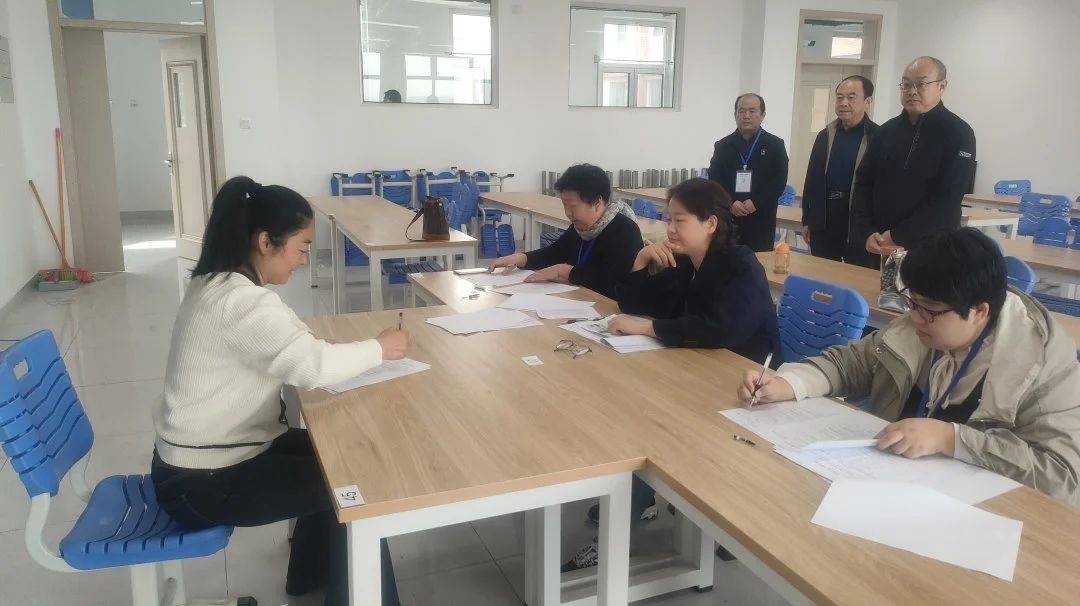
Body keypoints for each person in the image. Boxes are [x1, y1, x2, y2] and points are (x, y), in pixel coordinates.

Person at [150, 177, 406, 606]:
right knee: (353, 484)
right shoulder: (240, 302)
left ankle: (310, 575)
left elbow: (292, 336)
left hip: (205, 461)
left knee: (338, 453)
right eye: (302, 248)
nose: (304, 261)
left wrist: (340, 347)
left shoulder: (223, 284)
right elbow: (311, 367)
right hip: (203, 482)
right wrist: (380, 348)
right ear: (265, 241)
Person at [737, 228, 1080, 507]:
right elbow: (852, 363)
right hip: (891, 492)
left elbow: (1062, 476)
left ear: (979, 312)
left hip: (988, 515)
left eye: (927, 309)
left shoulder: (1042, 364)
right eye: (911, 303)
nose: (914, 317)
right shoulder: (923, 321)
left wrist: (952, 439)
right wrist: (789, 383)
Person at [563, 179, 780, 572]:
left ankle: (622, 524)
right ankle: (640, 499)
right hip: (695, 366)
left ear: (710, 223)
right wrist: (641, 261)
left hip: (742, 385)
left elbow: (719, 330)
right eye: (669, 220)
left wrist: (648, 328)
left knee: (653, 422)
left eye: (680, 220)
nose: (671, 229)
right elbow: (637, 304)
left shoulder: (740, 266)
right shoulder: (686, 261)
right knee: (635, 404)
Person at [850, 56, 976, 268]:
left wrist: (898, 235)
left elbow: (948, 199)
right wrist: (867, 231)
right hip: (879, 245)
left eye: (921, 84)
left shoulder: (959, 134)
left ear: (942, 86)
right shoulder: (885, 132)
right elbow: (863, 182)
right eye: (906, 84)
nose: (912, 91)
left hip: (930, 249)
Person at [488, 164, 643, 299]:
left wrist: (564, 272)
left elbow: (610, 282)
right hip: (580, 300)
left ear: (597, 202)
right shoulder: (581, 228)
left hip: (609, 310)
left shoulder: (625, 232)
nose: (568, 212)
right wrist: (520, 258)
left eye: (573, 206)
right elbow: (554, 253)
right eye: (564, 204)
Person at [801, 75, 878, 263]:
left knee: (857, 276)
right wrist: (808, 220)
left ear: (868, 101)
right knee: (823, 274)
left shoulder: (878, 137)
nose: (843, 103)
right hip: (825, 220)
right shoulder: (825, 135)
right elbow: (812, 180)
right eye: (839, 97)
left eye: (851, 97)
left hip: (858, 223)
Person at [708, 93, 789, 252]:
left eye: (752, 111)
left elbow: (778, 182)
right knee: (727, 259)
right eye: (742, 111)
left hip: (761, 218)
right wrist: (731, 202)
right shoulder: (723, 146)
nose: (746, 116)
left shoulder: (775, 145)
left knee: (758, 261)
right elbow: (715, 179)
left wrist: (756, 202)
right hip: (729, 216)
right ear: (735, 114)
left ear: (762, 115)